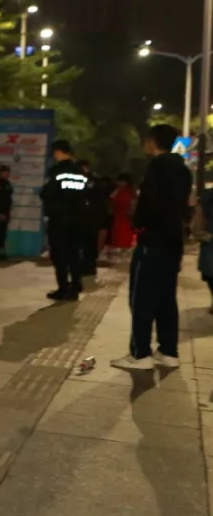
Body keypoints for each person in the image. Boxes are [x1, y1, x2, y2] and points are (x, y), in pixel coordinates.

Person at [112, 124, 193, 371]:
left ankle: (141, 353)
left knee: (142, 298)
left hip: (152, 242)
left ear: (153, 141)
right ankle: (168, 351)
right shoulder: (183, 170)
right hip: (173, 242)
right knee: (166, 297)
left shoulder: (157, 167)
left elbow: (149, 204)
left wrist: (138, 224)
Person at [40, 140, 91, 301]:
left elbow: (46, 193)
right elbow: (85, 195)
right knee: (74, 254)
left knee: (59, 255)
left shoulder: (56, 171)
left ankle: (63, 288)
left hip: (59, 220)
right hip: (77, 220)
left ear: (58, 152)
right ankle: (75, 286)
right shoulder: (79, 172)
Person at [76, 160, 101, 277]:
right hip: (82, 216)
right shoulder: (78, 180)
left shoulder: (93, 180)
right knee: (81, 243)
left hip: (90, 217)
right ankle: (83, 266)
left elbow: (98, 198)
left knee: (90, 243)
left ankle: (89, 266)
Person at [108, 173, 137, 262]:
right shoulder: (118, 191)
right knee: (117, 234)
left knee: (124, 235)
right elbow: (111, 199)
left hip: (125, 217)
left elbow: (133, 203)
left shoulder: (130, 191)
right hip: (118, 216)